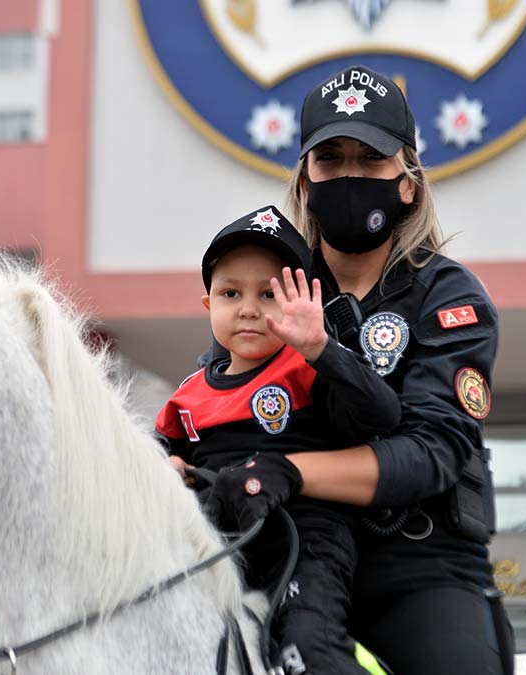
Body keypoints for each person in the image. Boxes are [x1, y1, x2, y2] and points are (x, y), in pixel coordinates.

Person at [200, 65, 514, 675]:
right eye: (331, 159)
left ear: (408, 182)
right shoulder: (266, 290)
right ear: (305, 181)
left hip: (418, 567)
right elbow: (217, 409)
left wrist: (289, 471)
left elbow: (432, 452)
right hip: (287, 554)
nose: (350, 175)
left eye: (371, 159)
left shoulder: (450, 297)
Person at [155, 205, 401, 675]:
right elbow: (157, 453)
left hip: (305, 543)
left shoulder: (308, 368)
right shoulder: (188, 393)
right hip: (216, 547)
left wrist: (321, 348)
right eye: (230, 293)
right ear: (209, 305)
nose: (248, 308)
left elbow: (382, 414)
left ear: (299, 303)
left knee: (305, 645)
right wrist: (167, 467)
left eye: (268, 294)